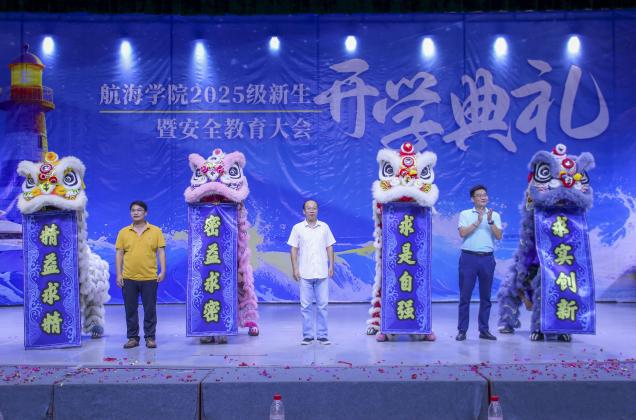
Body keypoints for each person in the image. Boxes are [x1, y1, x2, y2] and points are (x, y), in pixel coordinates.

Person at [115, 201, 166, 349]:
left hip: (149, 277)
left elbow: (161, 252)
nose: (136, 213)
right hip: (128, 277)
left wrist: (163, 271)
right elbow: (119, 253)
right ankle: (132, 338)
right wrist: (119, 274)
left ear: (145, 213)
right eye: (133, 210)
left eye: (139, 210)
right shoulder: (123, 232)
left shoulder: (156, 231)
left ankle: (150, 337)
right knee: (130, 309)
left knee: (150, 309)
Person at [456, 185, 502, 341]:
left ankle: (484, 330)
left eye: (485, 194)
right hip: (468, 258)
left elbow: (499, 236)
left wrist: (490, 221)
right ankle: (462, 330)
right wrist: (478, 221)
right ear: (472, 199)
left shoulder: (494, 215)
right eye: (479, 195)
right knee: (465, 296)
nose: (483, 197)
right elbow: (462, 233)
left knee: (486, 297)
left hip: (487, 259)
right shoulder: (465, 214)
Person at [287, 200, 336, 345]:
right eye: (308, 208)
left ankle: (322, 335)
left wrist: (331, 265)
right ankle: (307, 335)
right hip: (305, 272)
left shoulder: (324, 227)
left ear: (317, 210)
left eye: (314, 208)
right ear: (304, 211)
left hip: (322, 272)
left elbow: (329, 247)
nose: (311, 210)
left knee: (323, 306)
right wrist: (295, 268)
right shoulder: (297, 228)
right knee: (305, 306)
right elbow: (293, 249)